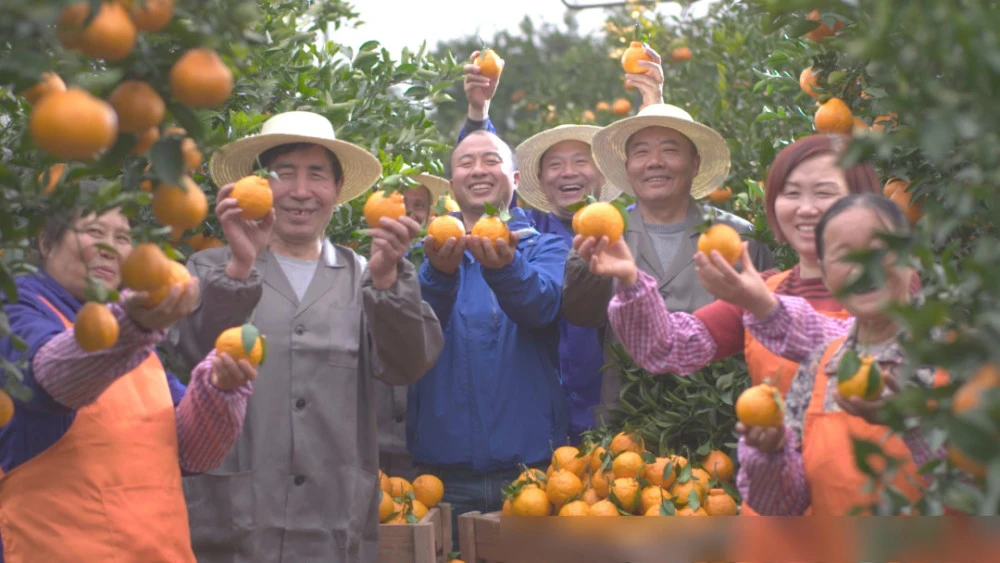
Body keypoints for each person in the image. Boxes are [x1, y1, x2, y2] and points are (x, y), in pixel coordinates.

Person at [164, 111, 445, 563]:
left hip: (331, 523)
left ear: (336, 192)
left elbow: (409, 363)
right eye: (283, 174)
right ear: (257, 187)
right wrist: (240, 266)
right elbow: (192, 353)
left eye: (316, 175)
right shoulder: (211, 269)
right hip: (231, 521)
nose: (299, 191)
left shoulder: (366, 277)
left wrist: (389, 280)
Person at [0, 193, 254, 562]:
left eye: (122, 238)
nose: (109, 248)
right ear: (46, 243)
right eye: (93, 231)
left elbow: (193, 452)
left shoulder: (134, 341)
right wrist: (132, 325)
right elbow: (50, 379)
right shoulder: (17, 309)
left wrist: (219, 389)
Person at [454, 47, 662, 443]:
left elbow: (662, 189)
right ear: (537, 180)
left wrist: (653, 105)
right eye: (555, 164)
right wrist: (479, 113)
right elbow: (485, 185)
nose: (568, 172)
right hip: (538, 418)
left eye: (581, 161)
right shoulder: (528, 232)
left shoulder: (624, 230)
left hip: (618, 416)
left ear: (601, 175)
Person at [594, 134, 883, 395]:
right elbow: (669, 348)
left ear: (862, 202)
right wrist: (631, 282)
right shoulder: (767, 289)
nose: (805, 209)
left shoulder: (891, 286)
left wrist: (768, 310)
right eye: (792, 193)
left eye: (824, 193)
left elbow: (866, 364)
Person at [725, 194, 947, 516]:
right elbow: (786, 507)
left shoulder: (956, 357)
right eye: (845, 256)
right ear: (827, 275)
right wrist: (770, 455)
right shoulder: (819, 368)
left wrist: (916, 431)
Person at [562, 102, 774, 424]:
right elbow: (580, 315)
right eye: (642, 152)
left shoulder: (738, 237)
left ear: (695, 163)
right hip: (627, 424)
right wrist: (586, 268)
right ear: (629, 165)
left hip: (719, 422)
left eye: (670, 150)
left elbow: (766, 329)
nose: (655, 163)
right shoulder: (603, 232)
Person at [409, 130, 569, 539]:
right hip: (441, 478)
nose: (478, 170)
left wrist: (506, 268)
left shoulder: (545, 249)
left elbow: (541, 308)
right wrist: (438, 275)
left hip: (532, 474)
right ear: (451, 185)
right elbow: (412, 333)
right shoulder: (421, 256)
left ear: (514, 180)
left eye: (491, 160)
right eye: (465, 162)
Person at [376, 174, 450, 481]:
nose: (409, 210)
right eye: (400, 202)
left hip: (425, 427)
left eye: (418, 204)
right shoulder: (365, 258)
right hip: (376, 427)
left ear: (432, 214)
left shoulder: (443, 259)